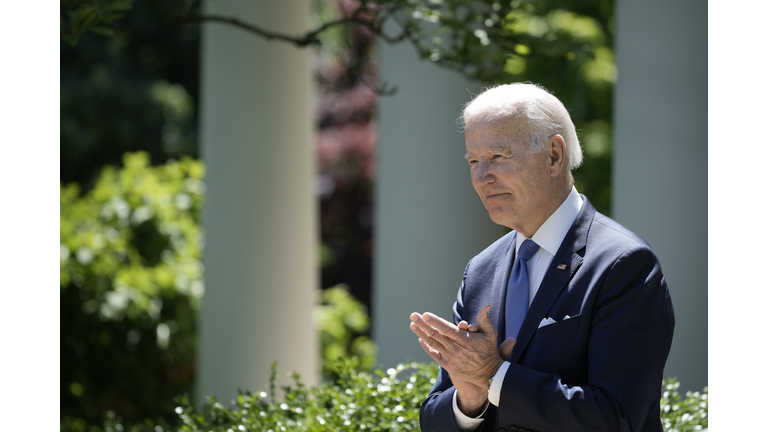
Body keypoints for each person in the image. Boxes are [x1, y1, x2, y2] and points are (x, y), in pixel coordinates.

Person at [409, 83, 675, 432]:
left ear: (553, 155)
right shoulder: (480, 270)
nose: (481, 177)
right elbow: (435, 417)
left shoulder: (623, 263)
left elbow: (616, 419)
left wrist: (494, 375)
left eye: (497, 157)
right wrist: (469, 401)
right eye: (474, 160)